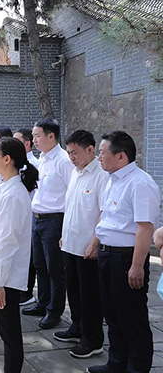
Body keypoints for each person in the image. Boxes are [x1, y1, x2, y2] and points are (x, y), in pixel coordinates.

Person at [86, 131, 160, 373]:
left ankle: (138, 368)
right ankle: (116, 363)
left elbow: (145, 228)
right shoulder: (112, 180)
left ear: (121, 156)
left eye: (102, 152)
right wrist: (95, 243)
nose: (98, 157)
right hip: (107, 255)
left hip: (126, 258)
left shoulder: (140, 183)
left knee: (132, 316)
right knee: (112, 314)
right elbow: (106, 217)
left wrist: (137, 266)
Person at [0, 137, 38, 373]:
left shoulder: (14, 195)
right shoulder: (6, 189)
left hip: (5, 278)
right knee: (7, 332)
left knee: (10, 334)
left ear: (7, 159)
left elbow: (8, 242)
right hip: (1, 275)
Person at [55, 130, 107, 359]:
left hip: (88, 247)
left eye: (75, 152)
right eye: (69, 153)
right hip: (70, 243)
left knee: (90, 296)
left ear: (90, 149)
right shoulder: (76, 173)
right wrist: (64, 235)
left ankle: (92, 339)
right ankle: (77, 327)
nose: (71, 157)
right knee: (74, 291)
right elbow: (72, 207)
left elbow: (103, 212)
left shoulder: (101, 175)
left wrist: (95, 242)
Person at [22, 119, 73, 330]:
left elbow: (72, 194)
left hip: (54, 219)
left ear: (51, 136)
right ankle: (43, 303)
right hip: (38, 218)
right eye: (33, 136)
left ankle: (54, 311)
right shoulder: (42, 159)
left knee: (55, 269)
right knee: (40, 265)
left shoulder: (63, 160)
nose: (34, 140)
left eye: (37, 136)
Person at [13, 128, 39, 306]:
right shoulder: (17, 163)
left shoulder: (33, 164)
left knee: (28, 256)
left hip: (29, 215)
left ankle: (26, 292)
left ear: (27, 144)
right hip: (19, 215)